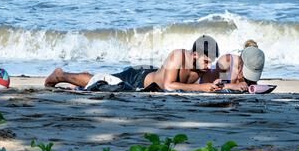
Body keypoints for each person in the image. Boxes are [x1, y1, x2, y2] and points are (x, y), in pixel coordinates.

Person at [44, 35, 223, 92]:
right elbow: (169, 86)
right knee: (101, 81)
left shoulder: (202, 68)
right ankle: (61, 75)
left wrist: (217, 85)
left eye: (211, 62)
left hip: (154, 74)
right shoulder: (178, 56)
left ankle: (81, 75)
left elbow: (210, 83)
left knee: (99, 80)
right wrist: (202, 88)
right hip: (138, 79)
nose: (208, 65)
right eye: (206, 60)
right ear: (194, 54)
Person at [199, 39, 265, 92]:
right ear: (242, 62)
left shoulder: (254, 63)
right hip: (202, 84)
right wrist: (232, 86)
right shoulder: (226, 62)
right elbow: (211, 86)